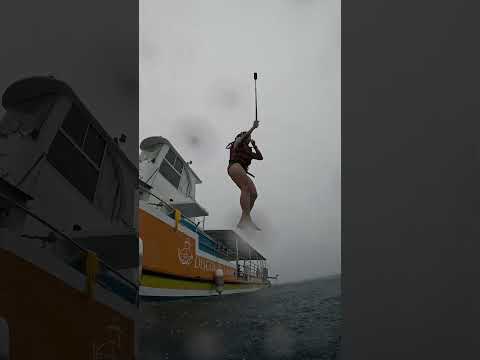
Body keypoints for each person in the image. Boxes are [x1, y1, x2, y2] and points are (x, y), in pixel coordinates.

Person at [226, 120, 263, 230]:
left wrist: (255, 146)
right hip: (235, 167)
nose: (249, 137)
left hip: (240, 169)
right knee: (245, 188)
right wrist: (253, 128)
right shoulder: (237, 142)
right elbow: (242, 138)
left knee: (254, 194)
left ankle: (244, 219)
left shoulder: (248, 150)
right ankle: (247, 218)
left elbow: (260, 157)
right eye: (248, 136)